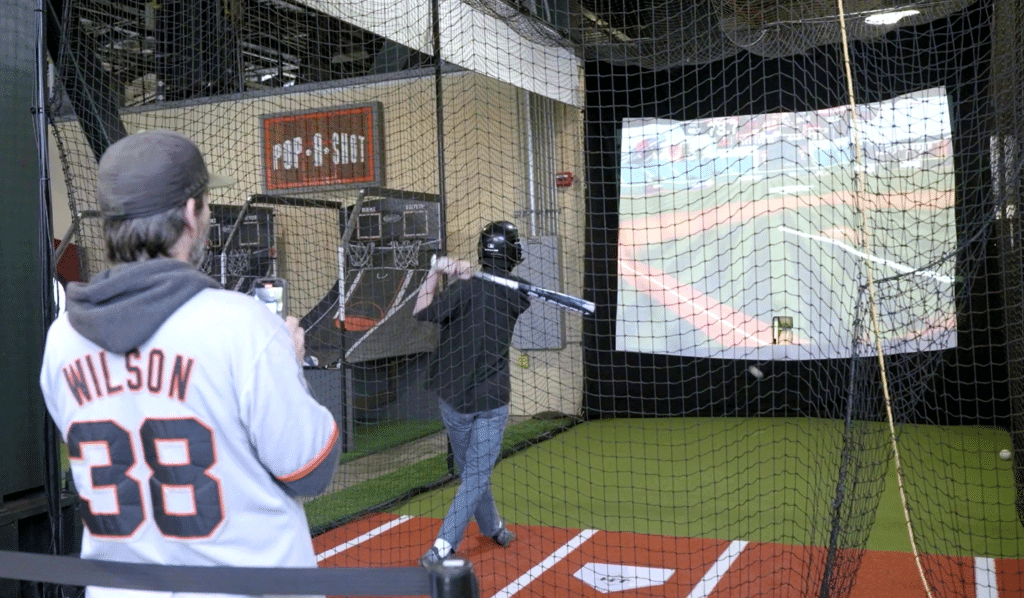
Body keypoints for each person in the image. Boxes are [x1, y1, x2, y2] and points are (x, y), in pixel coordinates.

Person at [38, 130, 340, 597]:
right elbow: (311, 470)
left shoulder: (62, 340)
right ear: (188, 214)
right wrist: (290, 363)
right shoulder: (241, 325)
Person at [413, 221, 532, 567]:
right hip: (489, 396)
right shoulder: (519, 291)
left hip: (456, 395)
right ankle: (482, 530)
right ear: (511, 254)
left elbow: (420, 310)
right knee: (474, 474)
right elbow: (512, 290)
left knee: (474, 473)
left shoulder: (464, 288)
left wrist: (437, 269)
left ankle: (449, 543)